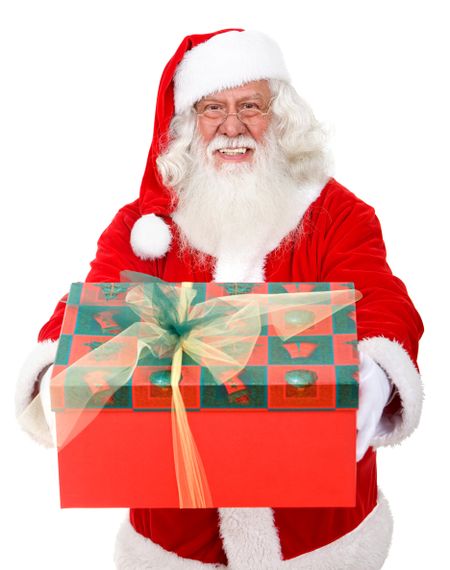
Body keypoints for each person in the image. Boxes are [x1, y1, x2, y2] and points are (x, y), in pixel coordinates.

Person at [16, 29, 424, 569]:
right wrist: (57, 367)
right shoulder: (145, 230)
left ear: (280, 118)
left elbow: (380, 296)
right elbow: (94, 300)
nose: (233, 127)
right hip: (178, 540)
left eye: (250, 106)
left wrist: (374, 370)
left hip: (317, 538)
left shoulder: (337, 215)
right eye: (213, 108)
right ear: (188, 124)